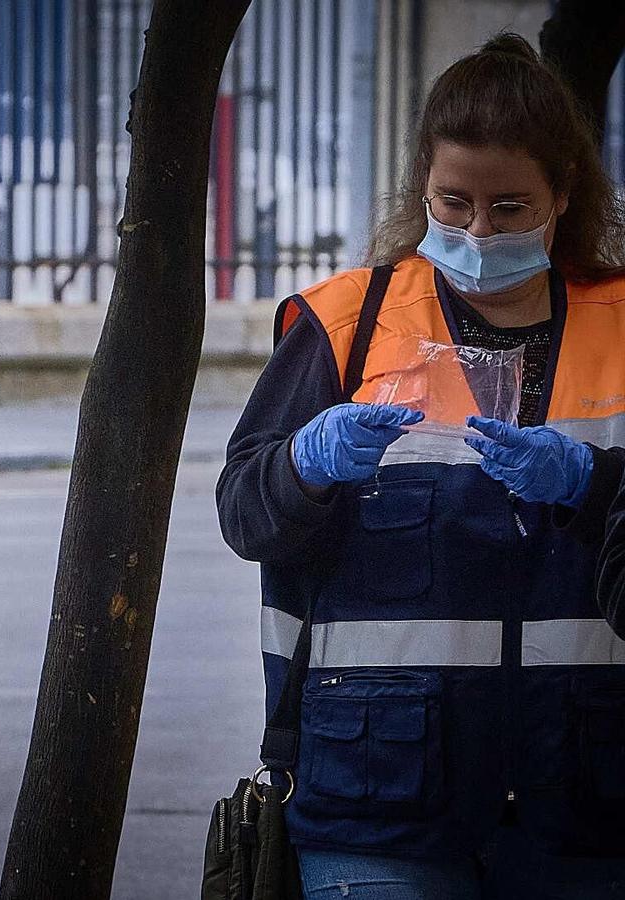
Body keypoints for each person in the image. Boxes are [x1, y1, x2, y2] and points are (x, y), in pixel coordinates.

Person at [217, 34, 625, 899]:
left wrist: (593, 485)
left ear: (563, 195)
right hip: (376, 799)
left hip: (589, 800)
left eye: (510, 207)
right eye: (454, 202)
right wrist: (307, 460)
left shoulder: (622, 328)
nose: (478, 231)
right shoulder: (347, 325)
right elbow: (246, 513)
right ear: (423, 191)